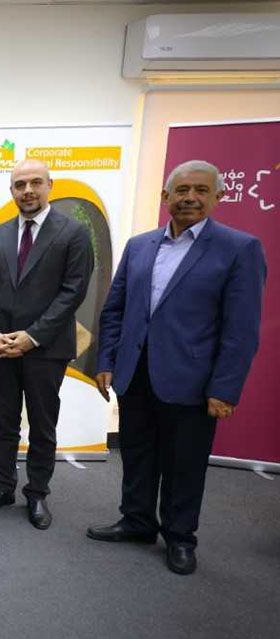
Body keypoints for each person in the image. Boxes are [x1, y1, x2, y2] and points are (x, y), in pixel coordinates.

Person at [88, 160, 266, 576]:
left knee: (185, 463)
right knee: (137, 453)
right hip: (136, 373)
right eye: (181, 190)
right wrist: (107, 359)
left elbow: (241, 329)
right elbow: (115, 310)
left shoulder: (239, 249)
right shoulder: (140, 245)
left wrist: (225, 388)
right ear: (165, 197)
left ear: (218, 196)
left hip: (193, 381)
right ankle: (137, 521)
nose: (190, 198)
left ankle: (180, 536)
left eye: (201, 190)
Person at [0, 159, 93, 529]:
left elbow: (73, 292)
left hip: (46, 348)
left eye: (35, 183)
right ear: (11, 190)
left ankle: (37, 493)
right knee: (4, 421)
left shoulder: (73, 233)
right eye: (20, 184)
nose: (27, 191)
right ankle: (3, 486)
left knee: (42, 424)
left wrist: (32, 336)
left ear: (49, 185)